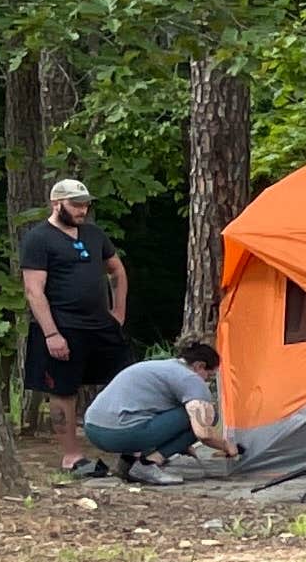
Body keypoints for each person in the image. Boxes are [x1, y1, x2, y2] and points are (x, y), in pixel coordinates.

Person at [19, 178, 136, 461]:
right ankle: (72, 455)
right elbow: (34, 290)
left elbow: (117, 271)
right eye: (76, 205)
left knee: (126, 378)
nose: (82, 211)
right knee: (63, 389)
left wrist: (118, 312)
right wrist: (51, 334)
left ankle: (129, 446)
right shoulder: (39, 238)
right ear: (57, 203)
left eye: (85, 205)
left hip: (100, 324)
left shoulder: (94, 234)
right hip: (63, 325)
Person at [81, 340, 231, 486]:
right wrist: (227, 446)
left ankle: (128, 463)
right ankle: (148, 463)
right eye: (209, 376)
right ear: (200, 366)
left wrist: (180, 444)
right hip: (120, 434)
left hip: (93, 429)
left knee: (139, 414)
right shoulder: (190, 379)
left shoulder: (164, 367)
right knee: (208, 413)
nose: (207, 382)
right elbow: (203, 433)